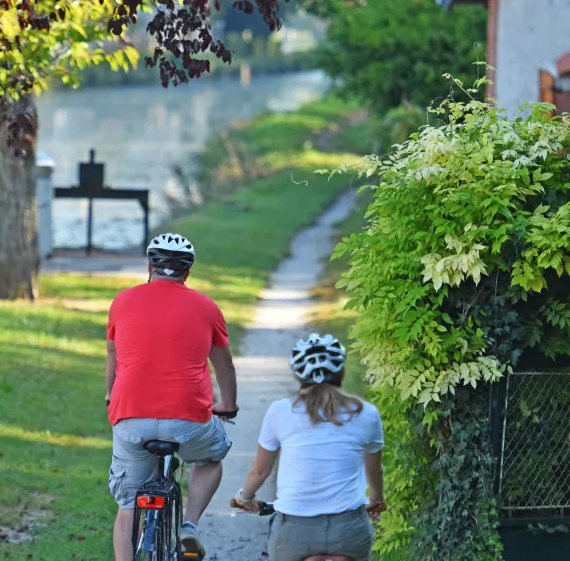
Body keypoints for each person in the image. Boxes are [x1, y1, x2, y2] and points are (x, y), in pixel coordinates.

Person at [106, 232, 239, 561]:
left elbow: (113, 357)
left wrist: (110, 394)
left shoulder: (122, 302)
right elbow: (225, 369)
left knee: (127, 508)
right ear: (187, 272)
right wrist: (228, 405)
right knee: (210, 459)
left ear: (149, 265)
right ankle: (189, 526)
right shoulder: (207, 308)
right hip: (188, 419)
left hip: (130, 416)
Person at [230, 333, 385, 561]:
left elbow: (260, 471)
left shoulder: (280, 411)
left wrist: (245, 498)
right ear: (341, 372)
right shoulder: (366, 413)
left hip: (295, 532)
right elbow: (373, 471)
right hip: (349, 531)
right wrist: (376, 500)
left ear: (297, 374)